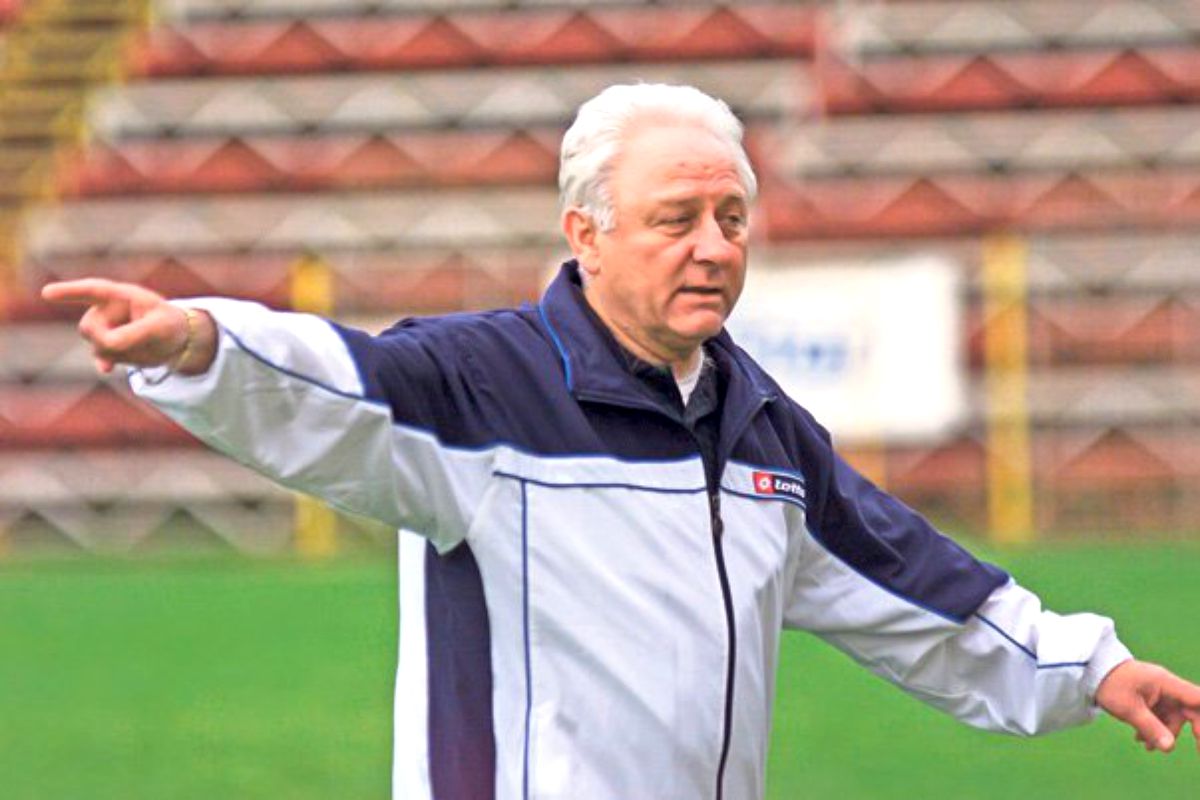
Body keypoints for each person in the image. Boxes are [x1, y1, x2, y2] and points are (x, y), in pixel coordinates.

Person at [44, 83, 1200, 800]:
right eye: (675, 219)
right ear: (586, 234)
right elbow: (342, 384)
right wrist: (200, 342)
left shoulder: (760, 423)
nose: (713, 246)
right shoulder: (484, 385)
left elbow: (910, 580)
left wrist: (1090, 666)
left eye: (731, 218)